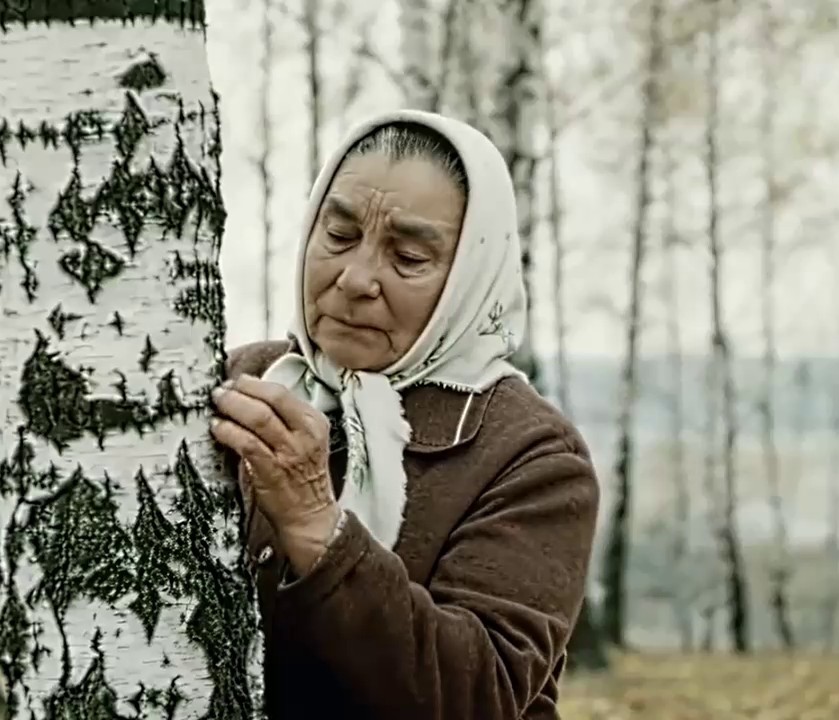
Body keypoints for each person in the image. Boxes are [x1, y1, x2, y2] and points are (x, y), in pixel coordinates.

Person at [209, 109, 599, 719]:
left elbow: (481, 698)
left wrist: (318, 527)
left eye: (409, 257)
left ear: (471, 276)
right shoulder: (246, 379)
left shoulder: (532, 456)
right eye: (339, 235)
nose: (355, 279)